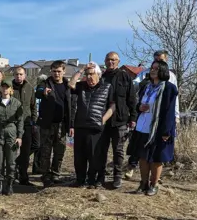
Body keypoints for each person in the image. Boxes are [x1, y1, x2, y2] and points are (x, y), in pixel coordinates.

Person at [127, 49, 179, 179]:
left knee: (156, 157)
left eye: (158, 65)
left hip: (158, 125)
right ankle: (143, 183)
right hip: (143, 124)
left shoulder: (170, 84)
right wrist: (139, 107)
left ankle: (154, 183)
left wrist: (173, 121)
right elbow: (137, 96)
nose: (153, 69)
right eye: (153, 65)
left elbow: (171, 106)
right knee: (142, 155)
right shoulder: (146, 85)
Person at [68, 62, 116, 188]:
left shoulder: (107, 87)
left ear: (98, 75)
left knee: (96, 156)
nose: (89, 77)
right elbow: (71, 84)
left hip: (97, 127)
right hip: (81, 126)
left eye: (92, 74)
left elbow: (113, 105)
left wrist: (104, 119)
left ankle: (96, 180)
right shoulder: (81, 86)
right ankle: (80, 180)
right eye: (87, 74)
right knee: (79, 156)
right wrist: (82, 69)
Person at [96, 52, 137, 189]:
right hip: (102, 120)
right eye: (108, 59)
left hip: (120, 119)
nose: (111, 62)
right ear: (105, 61)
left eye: (113, 60)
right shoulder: (101, 77)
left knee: (118, 151)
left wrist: (133, 117)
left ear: (118, 61)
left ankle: (117, 177)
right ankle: (100, 176)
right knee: (101, 150)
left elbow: (132, 99)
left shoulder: (125, 77)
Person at [36, 61, 76, 188]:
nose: (56, 74)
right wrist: (44, 92)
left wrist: (71, 125)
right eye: (54, 71)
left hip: (62, 125)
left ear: (64, 71)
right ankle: (45, 176)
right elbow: (38, 91)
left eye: (59, 71)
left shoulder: (68, 85)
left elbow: (72, 106)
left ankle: (55, 174)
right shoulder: (45, 83)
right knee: (45, 152)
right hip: (47, 124)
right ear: (51, 71)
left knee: (60, 151)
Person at [0, 81, 23, 196]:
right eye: (3, 87)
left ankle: (10, 185)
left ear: (11, 89)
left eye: (7, 87)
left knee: (11, 161)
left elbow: (20, 120)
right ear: (0, 89)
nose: (5, 89)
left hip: (11, 132)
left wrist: (19, 136)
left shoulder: (16, 103)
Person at [11, 66, 39, 186]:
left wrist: (34, 121)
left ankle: (23, 176)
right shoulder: (9, 87)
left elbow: (33, 106)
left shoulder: (29, 88)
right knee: (11, 150)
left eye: (21, 74)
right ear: (14, 75)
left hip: (26, 123)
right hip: (12, 123)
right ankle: (10, 176)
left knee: (28, 149)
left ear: (25, 75)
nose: (19, 76)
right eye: (17, 74)